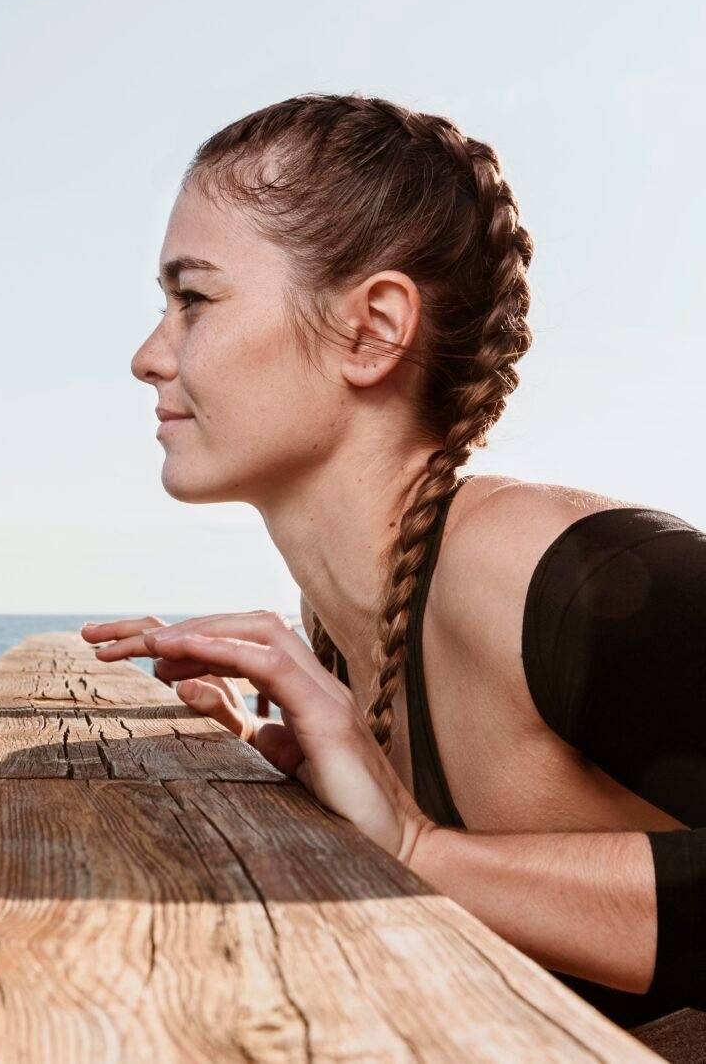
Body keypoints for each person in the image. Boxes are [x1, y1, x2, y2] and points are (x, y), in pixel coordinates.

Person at [81, 93, 705, 1030]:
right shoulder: (342, 618)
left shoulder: (553, 573)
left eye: (194, 299)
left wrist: (417, 844)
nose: (147, 355)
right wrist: (275, 762)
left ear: (374, 329)